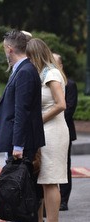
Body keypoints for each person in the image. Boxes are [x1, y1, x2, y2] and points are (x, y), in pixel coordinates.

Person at [0, 30, 45, 222]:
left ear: (9, 48)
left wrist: (18, 145)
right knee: (25, 187)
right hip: (23, 139)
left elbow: (22, 111)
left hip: (24, 141)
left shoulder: (24, 71)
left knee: (24, 188)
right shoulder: (24, 69)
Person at [26, 38, 69, 222]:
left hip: (53, 130)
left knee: (50, 180)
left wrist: (37, 120)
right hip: (47, 129)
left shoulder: (51, 73)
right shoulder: (45, 72)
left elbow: (61, 104)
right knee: (47, 180)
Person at [53, 53, 78, 211]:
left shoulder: (70, 84)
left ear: (61, 65)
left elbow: (69, 109)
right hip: (48, 130)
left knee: (64, 164)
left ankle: (63, 199)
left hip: (64, 130)